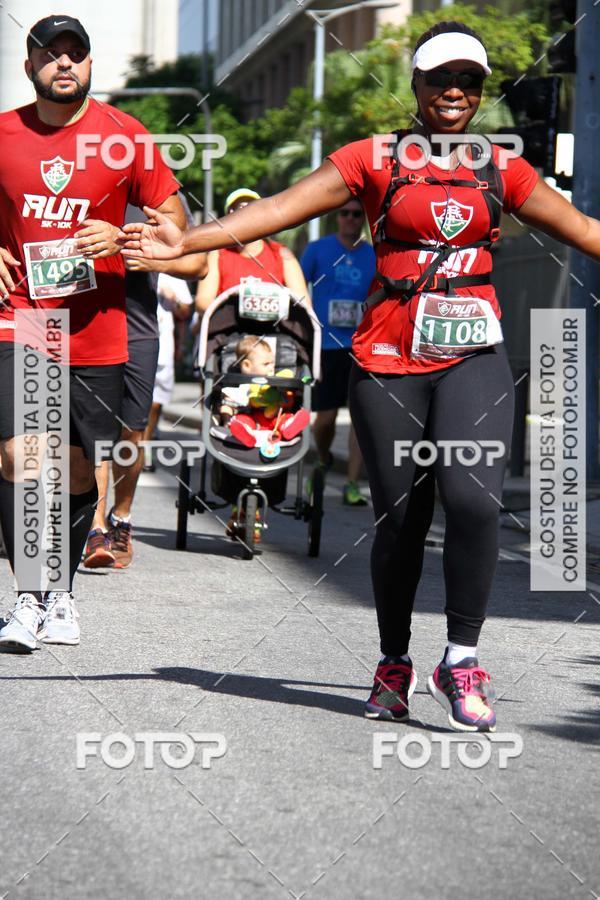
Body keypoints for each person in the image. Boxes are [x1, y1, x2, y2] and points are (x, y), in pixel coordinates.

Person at [121, 20, 600, 732]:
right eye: (440, 78)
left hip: (474, 353)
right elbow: (278, 209)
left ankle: (461, 658)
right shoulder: (372, 158)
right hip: (387, 359)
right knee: (402, 517)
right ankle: (394, 663)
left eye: (468, 80)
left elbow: (587, 230)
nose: (454, 92)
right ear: (414, 83)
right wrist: (183, 240)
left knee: (472, 502)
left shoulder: (503, 168)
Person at [0, 15, 186, 651]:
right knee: (22, 454)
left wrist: (126, 239)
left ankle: (61, 595)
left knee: (81, 470)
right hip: (24, 316)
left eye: (75, 53)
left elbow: (183, 243)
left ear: (89, 64)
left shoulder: (124, 138)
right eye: (49, 54)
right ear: (29, 67)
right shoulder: (2, 134)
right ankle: (28, 596)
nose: (63, 64)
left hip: (98, 324)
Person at [83, 197, 205, 569]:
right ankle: (96, 528)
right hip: (87, 328)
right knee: (94, 435)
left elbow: (197, 262)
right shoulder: (83, 187)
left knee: (132, 435)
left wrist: (150, 256)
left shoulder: (159, 199)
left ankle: (122, 518)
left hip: (138, 332)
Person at [301, 197, 375, 506]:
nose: (350, 219)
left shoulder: (373, 255)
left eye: (357, 214)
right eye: (344, 213)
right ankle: (323, 457)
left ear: (363, 219)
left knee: (360, 420)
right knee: (325, 418)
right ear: (337, 217)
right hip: (326, 345)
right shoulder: (318, 250)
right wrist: (307, 318)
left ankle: (352, 483)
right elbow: (298, 283)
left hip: (361, 347)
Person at [220, 336, 310, 454]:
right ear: (247, 365)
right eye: (266, 364)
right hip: (251, 418)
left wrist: (286, 398)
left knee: (284, 417)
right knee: (241, 420)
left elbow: (286, 401)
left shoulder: (275, 382)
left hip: (274, 418)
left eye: (272, 363)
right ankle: (245, 434)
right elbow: (226, 405)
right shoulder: (238, 387)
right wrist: (227, 419)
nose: (272, 367)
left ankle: (289, 426)